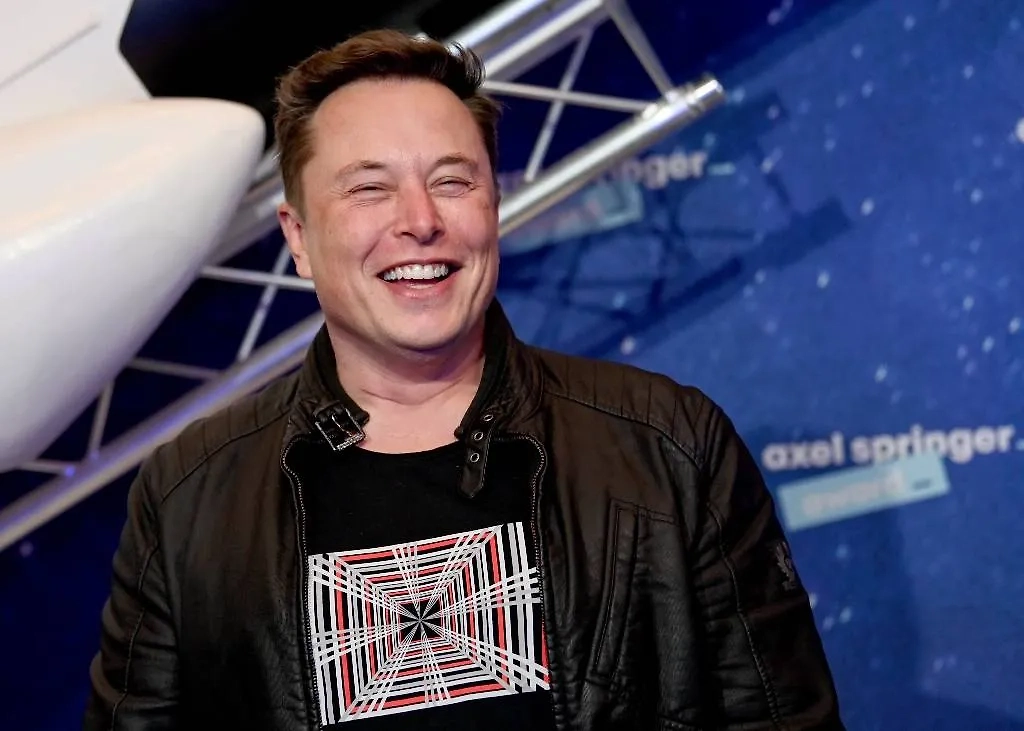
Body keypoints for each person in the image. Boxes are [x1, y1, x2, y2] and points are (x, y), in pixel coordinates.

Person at [84, 28, 843, 730]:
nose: (420, 220)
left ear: (493, 206)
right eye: (369, 188)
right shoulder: (189, 497)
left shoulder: (670, 446)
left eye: (452, 181)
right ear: (299, 238)